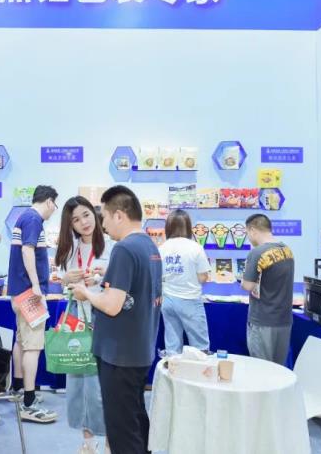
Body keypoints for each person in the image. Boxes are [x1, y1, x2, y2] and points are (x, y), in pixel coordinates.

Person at [71, 185, 162, 454]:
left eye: (105, 218)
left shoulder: (124, 248)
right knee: (135, 418)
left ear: (119, 215)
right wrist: (103, 279)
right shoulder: (149, 245)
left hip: (119, 353)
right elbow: (133, 292)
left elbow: (112, 305)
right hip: (138, 349)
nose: (103, 225)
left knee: (122, 429)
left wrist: (86, 293)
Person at [54, 195, 113, 454]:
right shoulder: (71, 250)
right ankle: (88, 442)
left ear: (94, 213)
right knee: (79, 381)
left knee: (104, 384)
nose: (84, 222)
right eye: (76, 220)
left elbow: (121, 284)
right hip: (78, 318)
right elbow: (61, 282)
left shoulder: (112, 246)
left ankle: (110, 441)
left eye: (86, 215)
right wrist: (67, 279)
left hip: (106, 318)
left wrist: (102, 278)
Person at [6, 185, 59, 423]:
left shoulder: (24, 218)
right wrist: (37, 285)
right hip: (29, 293)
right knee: (33, 347)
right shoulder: (34, 219)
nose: (54, 210)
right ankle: (29, 402)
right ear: (49, 201)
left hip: (20, 292)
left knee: (22, 341)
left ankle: (19, 389)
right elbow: (28, 251)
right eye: (55, 205)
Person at [240, 213, 295, 365]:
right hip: (284, 320)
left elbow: (247, 285)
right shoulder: (287, 250)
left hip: (263, 320)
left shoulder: (257, 252)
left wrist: (241, 280)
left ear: (252, 230)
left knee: (261, 368)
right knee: (279, 368)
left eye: (247, 233)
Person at [159, 209, 212, 354]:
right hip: (190, 300)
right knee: (200, 347)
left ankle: (172, 368)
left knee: (172, 345)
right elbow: (203, 277)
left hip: (168, 299)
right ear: (188, 226)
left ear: (168, 227)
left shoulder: (161, 248)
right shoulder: (195, 248)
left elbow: (158, 275)